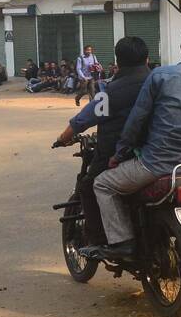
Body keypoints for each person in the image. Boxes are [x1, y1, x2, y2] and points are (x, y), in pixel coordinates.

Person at [86, 25, 181, 261]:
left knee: (102, 184)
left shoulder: (160, 76)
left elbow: (137, 119)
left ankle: (122, 242)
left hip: (153, 164)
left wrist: (119, 154)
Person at [55, 36, 153, 246]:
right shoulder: (159, 83)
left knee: (89, 187)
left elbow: (83, 120)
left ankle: (99, 241)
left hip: (118, 153)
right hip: (159, 151)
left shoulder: (111, 92)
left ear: (118, 62)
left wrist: (63, 138)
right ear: (147, 59)